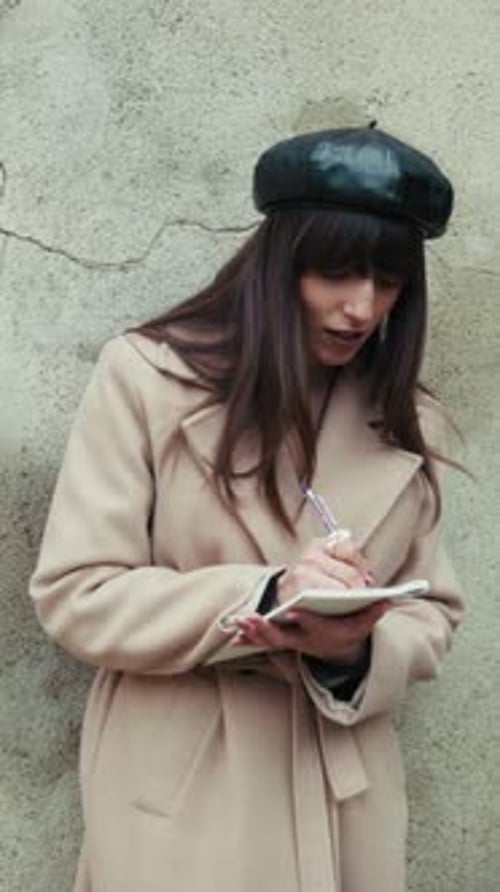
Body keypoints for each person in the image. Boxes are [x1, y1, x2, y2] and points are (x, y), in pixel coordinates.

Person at [30, 126, 464, 892]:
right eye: (337, 272)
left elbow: (434, 613)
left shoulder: (406, 421)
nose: (361, 308)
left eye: (389, 282)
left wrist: (351, 650)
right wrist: (265, 594)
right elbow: (76, 593)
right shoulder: (147, 378)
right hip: (186, 778)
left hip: (340, 789)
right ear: (282, 258)